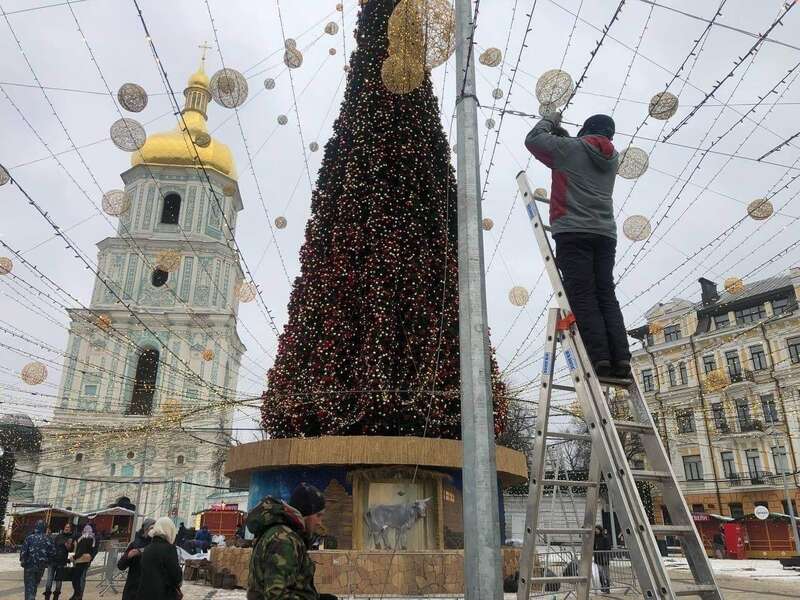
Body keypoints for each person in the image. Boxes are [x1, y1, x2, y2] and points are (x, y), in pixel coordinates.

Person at [525, 112, 632, 379]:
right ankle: (621, 357)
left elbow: (534, 139)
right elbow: (580, 151)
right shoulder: (612, 158)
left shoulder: (569, 149)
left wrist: (550, 120)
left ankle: (599, 358)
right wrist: (568, 139)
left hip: (572, 230)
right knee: (605, 293)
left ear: (585, 129)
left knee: (582, 294)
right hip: (605, 234)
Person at [247, 483, 337, 600]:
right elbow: (277, 596)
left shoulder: (286, 535)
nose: (320, 522)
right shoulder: (283, 540)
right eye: (318, 515)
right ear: (306, 513)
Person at [136, 517, 182, 600]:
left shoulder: (148, 548)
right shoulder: (169, 549)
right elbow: (176, 576)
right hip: (163, 595)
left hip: (144, 594)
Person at [118, 518, 156, 600]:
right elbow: (121, 566)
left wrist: (140, 551)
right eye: (151, 528)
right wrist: (128, 556)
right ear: (145, 529)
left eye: (155, 528)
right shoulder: (135, 544)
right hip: (133, 590)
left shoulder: (157, 545)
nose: (154, 531)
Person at [20, 520, 55, 600]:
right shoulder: (48, 539)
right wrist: (47, 562)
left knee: (29, 586)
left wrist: (23, 562)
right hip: (41, 567)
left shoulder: (29, 538)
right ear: (44, 528)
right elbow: (52, 553)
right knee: (34, 585)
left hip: (29, 566)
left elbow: (23, 552)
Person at [44, 529, 73, 600]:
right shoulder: (59, 537)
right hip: (54, 561)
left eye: (68, 527)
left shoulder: (70, 538)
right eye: (66, 527)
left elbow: (70, 550)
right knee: (51, 579)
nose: (67, 529)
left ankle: (54, 596)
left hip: (61, 562)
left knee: (58, 579)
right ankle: (48, 596)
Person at [69, 525, 96, 600]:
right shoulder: (92, 538)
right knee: (79, 578)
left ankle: (77, 594)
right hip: (85, 561)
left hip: (80, 561)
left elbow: (81, 550)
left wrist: (74, 557)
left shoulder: (85, 538)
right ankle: (77, 594)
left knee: (75, 578)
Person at [593, 526, 611, 593]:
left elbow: (608, 547)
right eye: (595, 529)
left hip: (604, 557)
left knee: (606, 573)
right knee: (600, 573)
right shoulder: (595, 538)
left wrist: (605, 554)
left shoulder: (605, 537)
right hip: (598, 558)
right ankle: (603, 586)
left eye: (597, 529)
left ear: (600, 530)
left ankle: (608, 587)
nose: (596, 531)